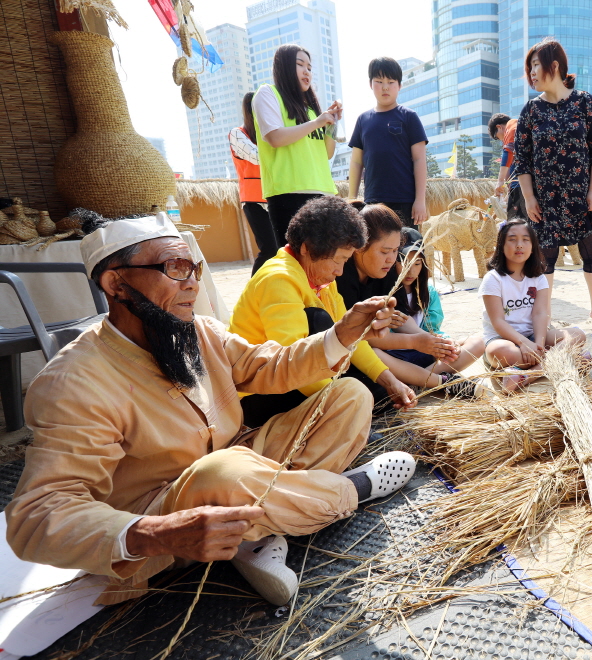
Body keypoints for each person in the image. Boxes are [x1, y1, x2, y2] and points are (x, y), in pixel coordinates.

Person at [4, 210, 416, 609]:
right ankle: (352, 490)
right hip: (173, 512)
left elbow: (269, 366)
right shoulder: (73, 381)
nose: (193, 286)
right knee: (224, 470)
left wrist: (341, 334)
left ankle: (256, 531)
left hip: (241, 465)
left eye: (195, 269)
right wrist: (152, 533)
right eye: (175, 268)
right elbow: (37, 515)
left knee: (347, 397)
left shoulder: (198, 330)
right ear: (117, 283)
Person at [228, 196, 418, 425]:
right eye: (338, 261)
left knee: (379, 395)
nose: (340, 271)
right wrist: (341, 405)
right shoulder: (279, 279)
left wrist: (390, 381)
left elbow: (351, 337)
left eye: (345, 261)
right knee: (317, 321)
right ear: (308, 249)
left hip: (300, 378)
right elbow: (292, 364)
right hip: (257, 395)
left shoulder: (322, 279)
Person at [514, 38, 592, 327]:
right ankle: (544, 316)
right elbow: (522, 159)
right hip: (544, 199)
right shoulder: (530, 111)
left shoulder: (585, 102)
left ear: (556, 65)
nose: (531, 73)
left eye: (536, 65)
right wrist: (528, 197)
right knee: (544, 259)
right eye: (530, 68)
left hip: (580, 196)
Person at [336, 204, 474, 395]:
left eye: (394, 251)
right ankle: (442, 382)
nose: (391, 260)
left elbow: (400, 318)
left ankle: (420, 379)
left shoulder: (387, 273)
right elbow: (360, 339)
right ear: (360, 247)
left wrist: (428, 340)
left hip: (392, 349)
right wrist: (415, 342)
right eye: (384, 252)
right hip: (351, 354)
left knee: (473, 343)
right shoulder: (341, 276)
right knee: (374, 375)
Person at [253, 44, 341, 250]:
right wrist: (318, 122)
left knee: (326, 263)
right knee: (296, 263)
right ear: (283, 67)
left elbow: (327, 153)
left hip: (323, 192)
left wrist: (332, 124)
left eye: (309, 67)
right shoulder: (268, 93)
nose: (306, 71)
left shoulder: (312, 111)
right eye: (300, 64)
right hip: (288, 194)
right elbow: (275, 137)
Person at [482, 219, 586, 391]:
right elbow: (498, 322)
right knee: (498, 352)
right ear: (501, 244)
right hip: (504, 340)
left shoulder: (538, 277)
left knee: (577, 335)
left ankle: (528, 375)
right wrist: (523, 344)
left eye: (525, 239)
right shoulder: (493, 279)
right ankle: (568, 360)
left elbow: (540, 314)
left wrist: (537, 344)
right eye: (512, 239)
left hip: (535, 337)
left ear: (533, 246)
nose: (519, 245)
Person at [384, 243, 485, 396]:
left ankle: (420, 381)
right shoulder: (385, 292)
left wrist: (445, 343)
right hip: (396, 358)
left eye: (416, 264)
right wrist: (432, 341)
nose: (410, 271)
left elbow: (433, 330)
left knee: (477, 343)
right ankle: (433, 381)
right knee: (376, 353)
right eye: (403, 264)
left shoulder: (429, 292)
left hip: (427, 355)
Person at [348, 57, 428, 227]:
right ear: (370, 84)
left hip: (405, 201)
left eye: (391, 82)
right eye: (379, 81)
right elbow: (356, 162)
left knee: (407, 251)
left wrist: (420, 200)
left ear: (399, 85)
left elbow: (419, 159)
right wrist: (351, 199)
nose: (385, 87)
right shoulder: (363, 120)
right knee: (375, 251)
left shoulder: (409, 117)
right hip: (372, 203)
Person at [229, 92, 276, 275]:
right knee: (269, 249)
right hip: (254, 200)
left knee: (282, 248)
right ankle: (253, 290)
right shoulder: (237, 134)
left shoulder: (269, 134)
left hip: (275, 196)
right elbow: (257, 157)